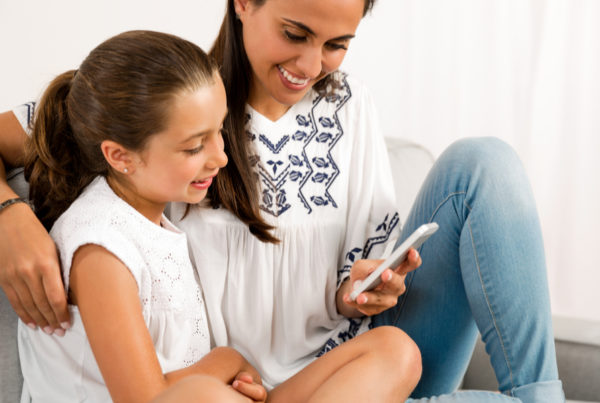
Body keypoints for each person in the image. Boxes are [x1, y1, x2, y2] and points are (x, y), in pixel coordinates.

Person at [0, 0, 565, 402]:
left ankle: (542, 397)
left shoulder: (351, 105)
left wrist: (360, 289)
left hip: (342, 377)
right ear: (243, 3)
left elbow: (361, 266)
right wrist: (9, 214)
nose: (311, 65)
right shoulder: (168, 100)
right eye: (295, 34)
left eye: (337, 44)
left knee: (484, 163)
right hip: (222, 389)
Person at [11, 29, 421, 403]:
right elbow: (145, 398)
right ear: (120, 156)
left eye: (219, 132)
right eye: (193, 147)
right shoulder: (101, 250)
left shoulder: (151, 217)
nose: (222, 157)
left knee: (395, 350)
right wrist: (227, 361)